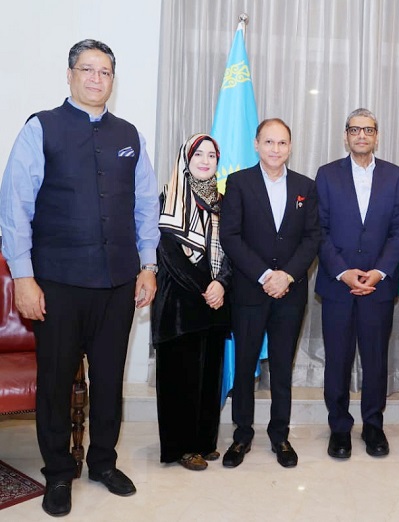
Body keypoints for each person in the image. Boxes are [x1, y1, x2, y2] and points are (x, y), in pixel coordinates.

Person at [0, 39, 160, 516]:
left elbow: (146, 204)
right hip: (58, 286)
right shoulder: (40, 128)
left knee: (110, 380)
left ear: (113, 79)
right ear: (69, 75)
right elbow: (14, 210)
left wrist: (148, 265)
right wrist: (24, 279)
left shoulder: (130, 134)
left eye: (105, 71)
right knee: (53, 383)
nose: (96, 78)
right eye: (87, 69)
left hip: (117, 283)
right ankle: (57, 474)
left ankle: (104, 463)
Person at [219, 118, 320, 469]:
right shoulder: (239, 183)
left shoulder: (306, 186)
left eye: (282, 143)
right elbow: (230, 236)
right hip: (250, 290)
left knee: (281, 367)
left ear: (290, 147)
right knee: (245, 366)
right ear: (256, 144)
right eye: (269, 142)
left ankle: (280, 435)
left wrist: (287, 276)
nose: (275, 149)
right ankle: (242, 434)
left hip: (290, 293)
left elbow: (313, 238)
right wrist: (265, 275)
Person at [315, 108, 399, 459]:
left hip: (378, 286)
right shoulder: (326, 175)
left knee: (374, 360)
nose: (361, 135)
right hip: (338, 285)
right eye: (355, 130)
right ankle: (339, 427)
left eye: (368, 129)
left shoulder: (395, 176)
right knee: (337, 360)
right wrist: (343, 271)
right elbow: (319, 230)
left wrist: (380, 271)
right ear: (345, 136)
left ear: (377, 136)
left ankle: (373, 425)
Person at [151, 134, 233, 471]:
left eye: (211, 155)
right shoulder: (167, 198)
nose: (204, 160)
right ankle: (180, 448)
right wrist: (208, 285)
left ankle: (204, 442)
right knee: (180, 377)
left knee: (210, 375)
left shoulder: (224, 202)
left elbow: (233, 250)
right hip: (180, 304)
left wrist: (222, 283)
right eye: (197, 153)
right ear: (185, 158)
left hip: (215, 303)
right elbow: (169, 255)